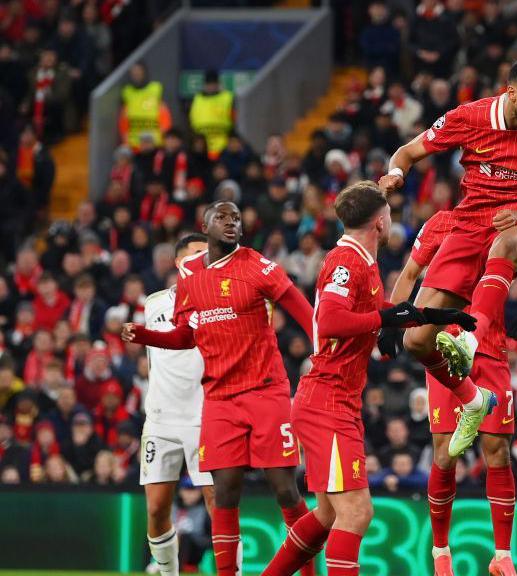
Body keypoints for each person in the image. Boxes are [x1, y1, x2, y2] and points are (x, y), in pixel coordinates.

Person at [258, 181, 474, 576]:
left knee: (327, 514)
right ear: (379, 220)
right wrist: (383, 320)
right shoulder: (347, 261)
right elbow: (331, 320)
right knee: (356, 513)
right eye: (389, 212)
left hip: (335, 399)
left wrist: (439, 317)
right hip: (328, 401)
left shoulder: (362, 260)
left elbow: (386, 311)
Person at [378, 57, 517, 459]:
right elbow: (407, 152)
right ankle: (470, 398)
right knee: (416, 340)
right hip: (469, 225)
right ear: (511, 91)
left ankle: (470, 339)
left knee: (505, 243)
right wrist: (396, 174)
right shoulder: (469, 117)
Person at [121, 201, 316, 576]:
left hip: (264, 391)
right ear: (205, 224)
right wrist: (144, 335)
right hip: (219, 398)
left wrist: (323, 349)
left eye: (237, 218)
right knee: (224, 495)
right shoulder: (190, 274)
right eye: (222, 217)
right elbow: (185, 337)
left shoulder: (257, 265)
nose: (231, 222)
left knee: (285, 491)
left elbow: (303, 311)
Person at [387, 209, 517, 576]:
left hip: (492, 351)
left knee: (498, 452)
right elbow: (409, 274)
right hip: (444, 347)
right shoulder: (443, 222)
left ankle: (502, 556)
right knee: (445, 453)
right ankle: (440, 552)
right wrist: (390, 319)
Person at [139, 232, 219, 576]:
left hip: (206, 418)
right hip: (160, 419)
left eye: (209, 254)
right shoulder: (154, 303)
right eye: (197, 253)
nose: (204, 259)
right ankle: (167, 573)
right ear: (178, 262)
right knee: (157, 510)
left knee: (220, 507)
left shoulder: (223, 304)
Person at [188, 70, 234, 160]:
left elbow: (235, 121)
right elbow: (190, 123)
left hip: (223, 148)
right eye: (208, 84)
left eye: (213, 84)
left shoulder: (228, 98)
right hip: (200, 148)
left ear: (218, 84)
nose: (211, 87)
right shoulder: (196, 100)